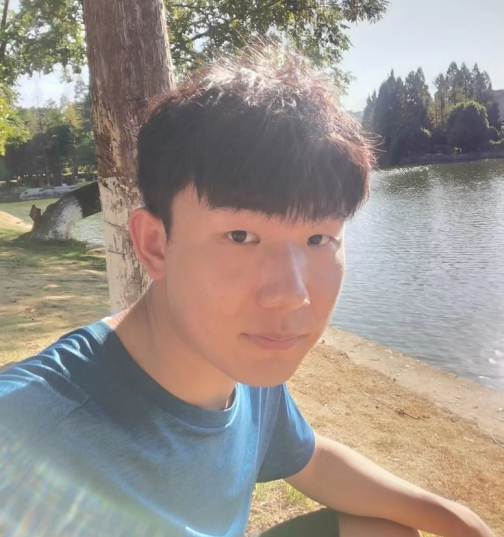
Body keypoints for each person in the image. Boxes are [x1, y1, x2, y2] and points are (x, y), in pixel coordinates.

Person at [0, 44, 495, 537]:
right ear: (154, 244)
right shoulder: (29, 429)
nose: (292, 294)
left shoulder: (246, 366)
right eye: (240, 236)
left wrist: (457, 520)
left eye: (318, 239)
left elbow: (310, 459)